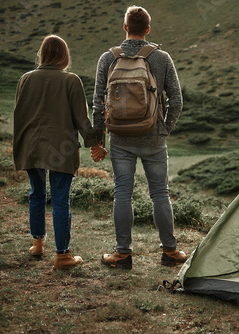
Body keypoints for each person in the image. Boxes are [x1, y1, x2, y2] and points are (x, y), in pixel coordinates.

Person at [91, 5, 186, 269]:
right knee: (160, 193)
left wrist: (99, 140)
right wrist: (164, 129)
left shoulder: (107, 58)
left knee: (123, 193)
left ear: (125, 28)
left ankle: (122, 255)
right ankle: (170, 252)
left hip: (119, 139)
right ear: (147, 29)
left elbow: (98, 103)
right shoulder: (162, 58)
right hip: (154, 138)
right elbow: (176, 101)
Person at [13, 35, 107, 270]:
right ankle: (63, 255)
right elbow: (81, 118)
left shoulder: (25, 79)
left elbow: (19, 114)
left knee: (36, 193)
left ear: (42, 54)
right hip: (60, 148)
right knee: (60, 200)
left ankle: (37, 243)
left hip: (30, 146)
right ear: (64, 56)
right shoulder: (70, 80)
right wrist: (94, 144)